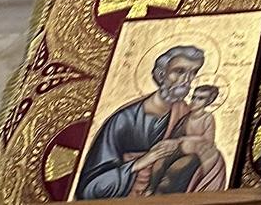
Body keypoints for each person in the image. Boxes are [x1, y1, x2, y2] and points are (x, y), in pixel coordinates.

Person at [76, 45, 205, 198]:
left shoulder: (186, 113)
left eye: (193, 73)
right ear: (161, 74)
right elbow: (90, 188)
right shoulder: (123, 121)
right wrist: (140, 163)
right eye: (179, 71)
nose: (187, 80)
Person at [138, 84, 226, 194]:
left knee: (175, 169)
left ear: (208, 102)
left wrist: (184, 139)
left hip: (197, 154)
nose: (194, 101)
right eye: (194, 97)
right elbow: (176, 135)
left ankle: (161, 194)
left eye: (200, 98)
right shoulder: (186, 117)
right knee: (159, 164)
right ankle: (150, 189)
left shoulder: (207, 118)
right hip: (181, 149)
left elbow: (208, 139)